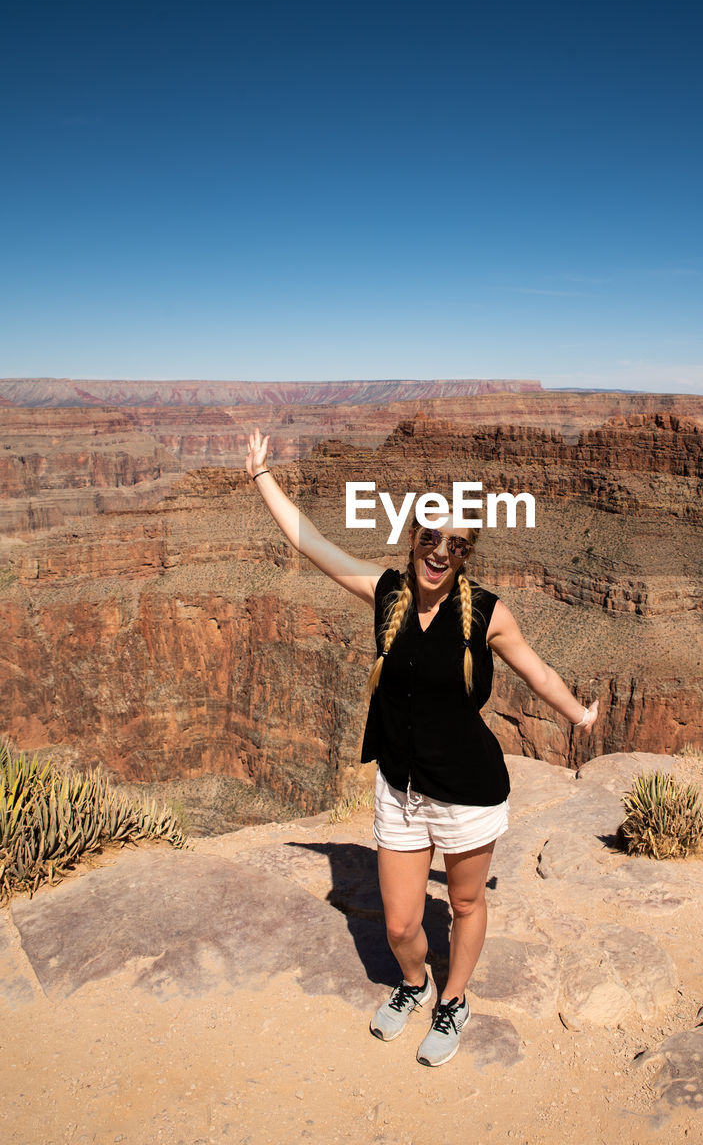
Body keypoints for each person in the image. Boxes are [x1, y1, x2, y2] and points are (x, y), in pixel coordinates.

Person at [245, 428, 598, 1067]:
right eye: (429, 539)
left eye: (455, 544)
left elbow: (537, 673)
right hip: (400, 791)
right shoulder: (385, 593)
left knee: (464, 902)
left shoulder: (489, 614)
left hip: (466, 792)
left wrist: (579, 713)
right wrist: (262, 478)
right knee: (402, 925)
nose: (439, 552)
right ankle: (414, 983)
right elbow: (313, 543)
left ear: (465, 554)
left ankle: (453, 1000)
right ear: (413, 542)